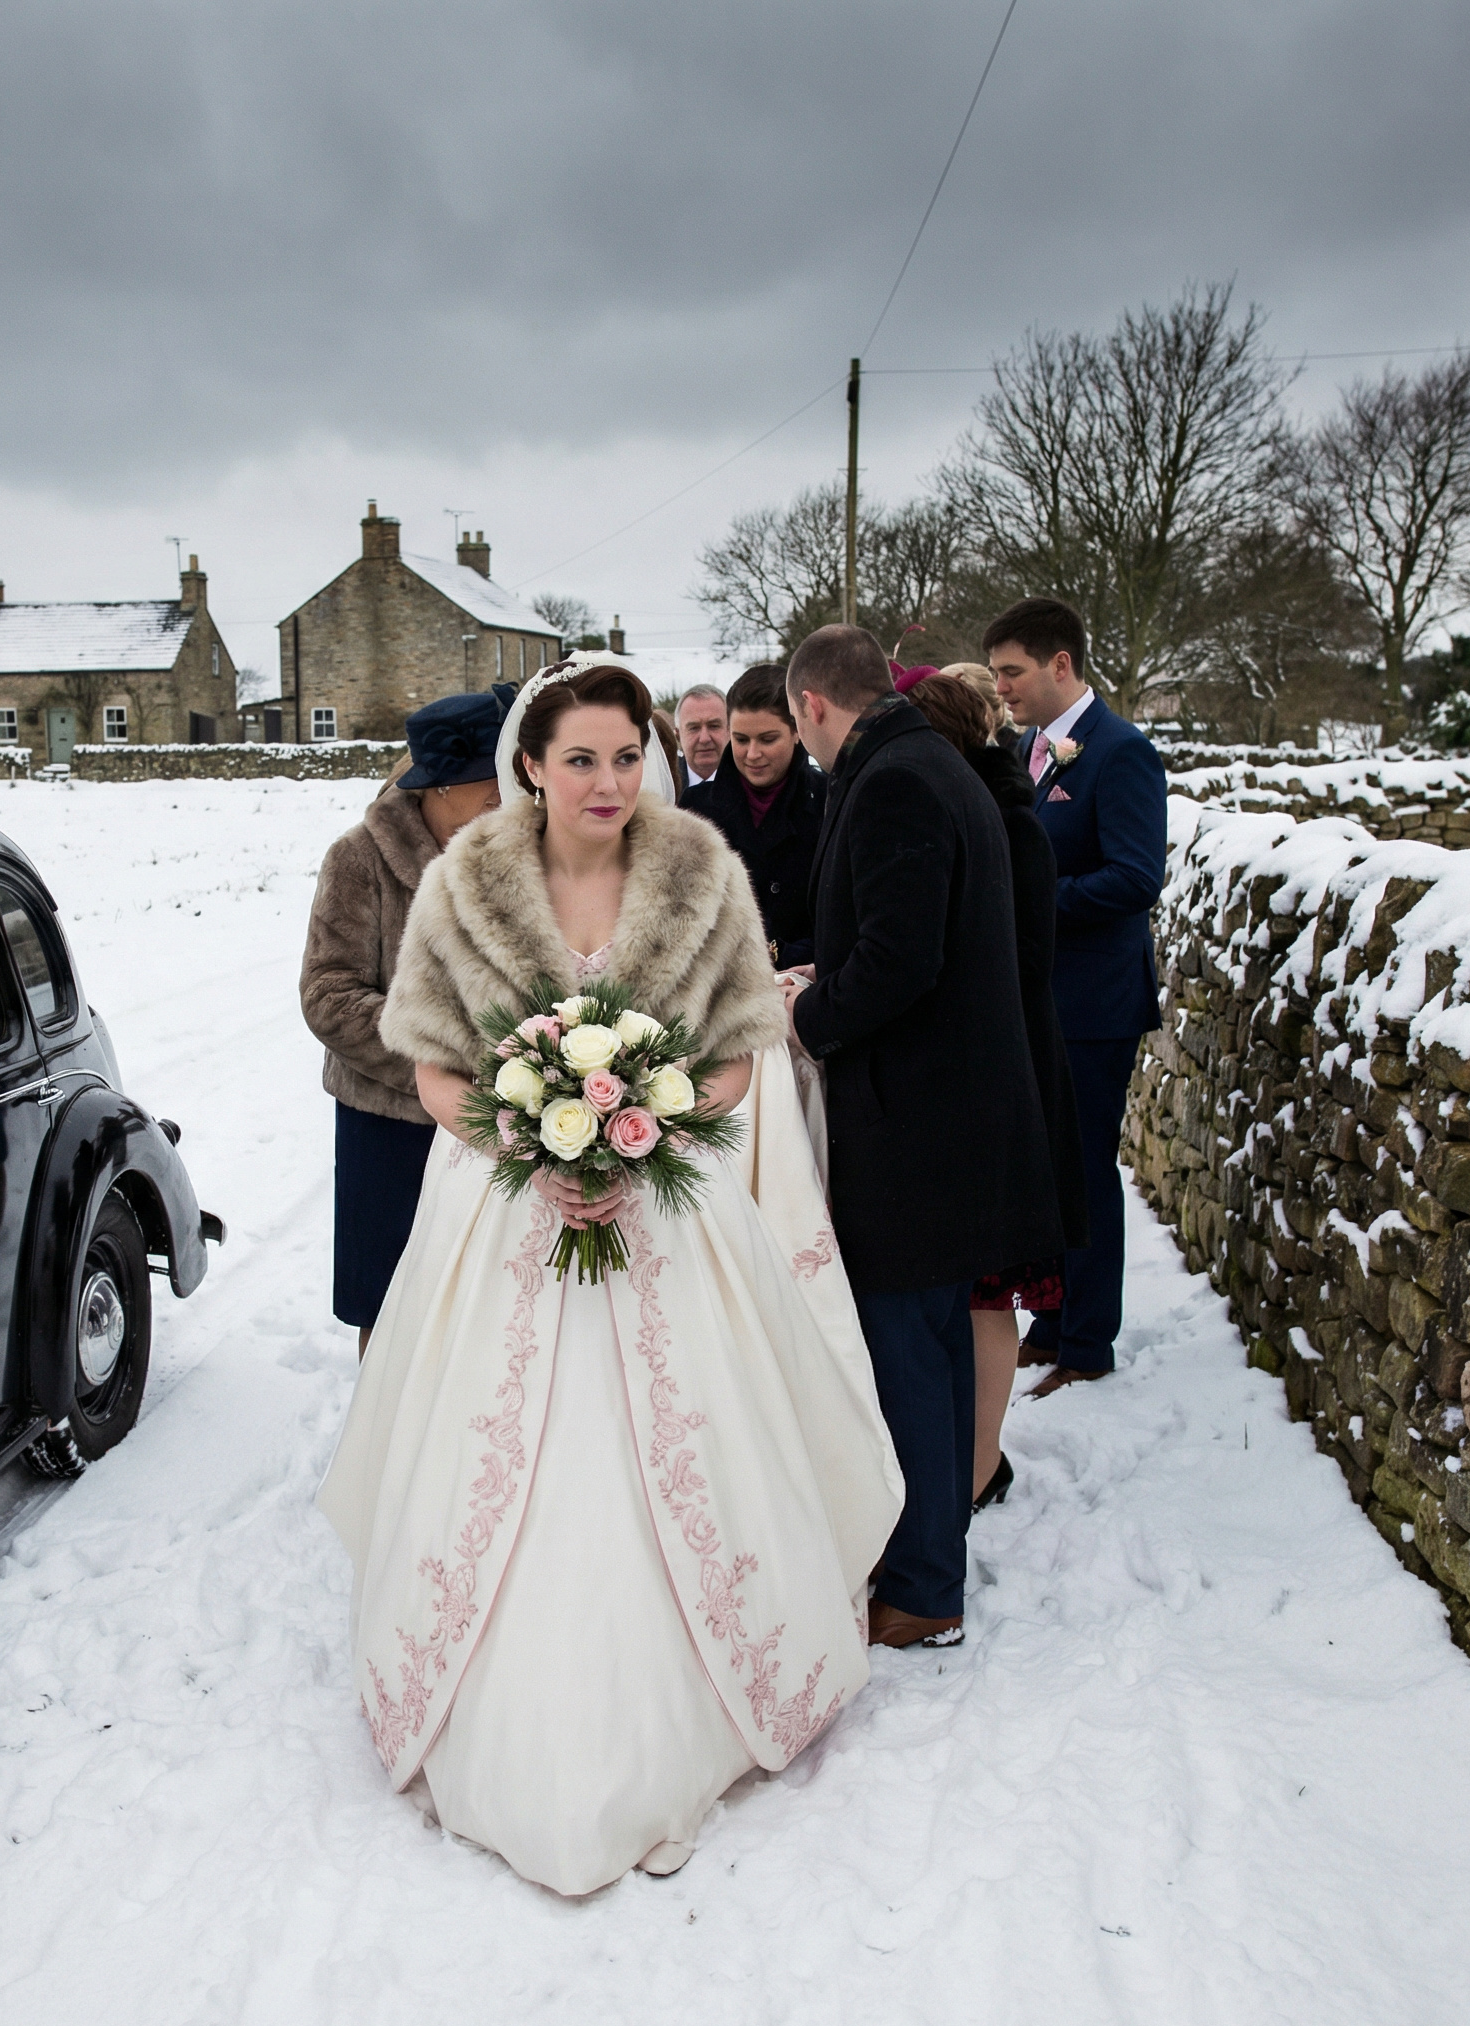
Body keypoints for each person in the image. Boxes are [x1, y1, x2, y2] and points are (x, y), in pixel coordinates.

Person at [319, 655, 901, 1897]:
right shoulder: (465, 882)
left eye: (627, 755)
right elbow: (428, 1065)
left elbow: (741, 1057)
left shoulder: (699, 876)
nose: (606, 780)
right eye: (579, 757)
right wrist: (522, 1136)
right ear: (527, 764)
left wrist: (651, 1131)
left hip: (666, 1214)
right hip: (502, 1210)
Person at [784, 625, 1063, 1649]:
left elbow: (900, 959)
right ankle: (931, 1563)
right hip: (954, 1116)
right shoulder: (930, 761)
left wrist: (803, 1018)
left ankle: (920, 1587)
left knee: (906, 1356)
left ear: (812, 703)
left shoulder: (896, 777)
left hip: (915, 1126)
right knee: (935, 1353)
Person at [894, 665, 1088, 1508]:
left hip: (998, 1080)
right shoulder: (977, 808)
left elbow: (1016, 962)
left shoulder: (1001, 822)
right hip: (977, 1075)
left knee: (986, 1293)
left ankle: (976, 1469)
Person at [984, 597, 1168, 1400]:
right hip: (1040, 999)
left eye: (1012, 672)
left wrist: (1027, 901)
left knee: (1088, 1168)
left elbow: (1135, 877)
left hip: (1093, 1003)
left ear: (1062, 664)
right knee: (1052, 1164)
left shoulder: (1123, 752)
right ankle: (1053, 1321)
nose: (1002, 688)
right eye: (995, 675)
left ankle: (1090, 1340)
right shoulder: (1028, 746)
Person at [299, 690, 505, 1354]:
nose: (506, 794)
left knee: (481, 1302)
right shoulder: (358, 859)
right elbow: (327, 993)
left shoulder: (509, 853)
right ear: (440, 783)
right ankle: (382, 1445)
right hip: (387, 1124)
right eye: (490, 780)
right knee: (388, 1307)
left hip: (493, 1120)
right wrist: (440, 1055)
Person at [681, 662, 826, 967]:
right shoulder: (694, 809)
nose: (752, 754)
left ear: (797, 731)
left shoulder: (829, 801)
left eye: (768, 739)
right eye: (741, 739)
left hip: (806, 987)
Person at [675, 683, 728, 785]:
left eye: (714, 726)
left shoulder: (752, 782)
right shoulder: (663, 785)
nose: (704, 739)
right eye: (694, 728)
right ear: (678, 736)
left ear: (730, 731)